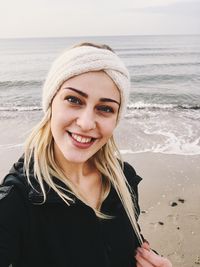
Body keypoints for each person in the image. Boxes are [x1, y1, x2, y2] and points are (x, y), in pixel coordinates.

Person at [0, 42, 172, 267]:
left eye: (106, 108)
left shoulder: (123, 179)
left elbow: (127, 247)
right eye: (74, 100)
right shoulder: (16, 201)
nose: (86, 123)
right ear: (51, 101)